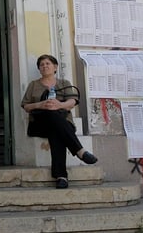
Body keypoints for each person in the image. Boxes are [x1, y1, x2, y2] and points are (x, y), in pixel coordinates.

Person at [21, 54, 97, 189]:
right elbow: (26, 106)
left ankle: (61, 177)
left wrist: (59, 105)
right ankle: (79, 151)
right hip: (39, 124)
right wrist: (41, 105)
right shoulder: (33, 85)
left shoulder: (64, 83)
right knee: (51, 116)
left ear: (55, 67)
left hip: (63, 123)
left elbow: (73, 101)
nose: (44, 66)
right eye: (41, 65)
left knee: (56, 130)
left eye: (47, 64)